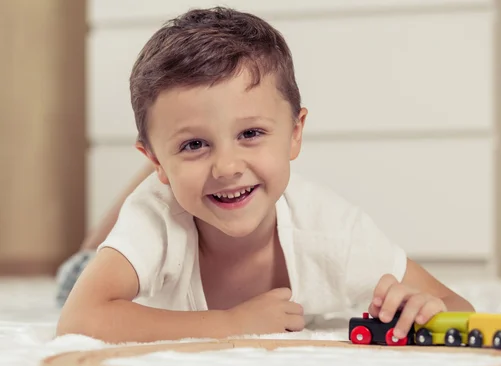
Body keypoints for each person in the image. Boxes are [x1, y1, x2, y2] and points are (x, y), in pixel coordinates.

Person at [56, 7, 474, 344]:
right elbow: (80, 316)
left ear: (295, 135)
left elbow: (456, 305)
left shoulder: (332, 232)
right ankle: (145, 182)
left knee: (195, 179)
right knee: (81, 265)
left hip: (176, 190)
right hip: (106, 269)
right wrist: (228, 324)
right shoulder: (153, 220)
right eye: (195, 144)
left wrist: (426, 308)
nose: (228, 166)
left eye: (250, 134)